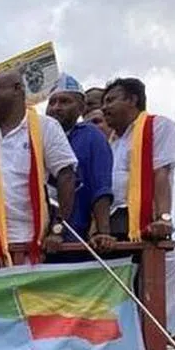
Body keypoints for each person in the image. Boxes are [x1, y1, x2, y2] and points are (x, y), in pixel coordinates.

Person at [0, 70, 77, 268]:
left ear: (18, 89)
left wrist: (57, 230)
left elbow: (66, 177)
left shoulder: (46, 127)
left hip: (32, 245)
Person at [102, 77, 175, 245]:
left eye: (110, 100)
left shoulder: (158, 126)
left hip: (142, 219)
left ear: (131, 100)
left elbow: (161, 172)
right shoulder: (110, 141)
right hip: (109, 220)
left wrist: (163, 218)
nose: (104, 108)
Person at [45, 74, 114, 255]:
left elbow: (101, 188)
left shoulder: (91, 136)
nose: (56, 108)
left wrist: (103, 232)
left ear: (81, 108)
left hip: (74, 237)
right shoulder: (38, 134)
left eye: (64, 102)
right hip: (36, 237)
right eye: (52, 103)